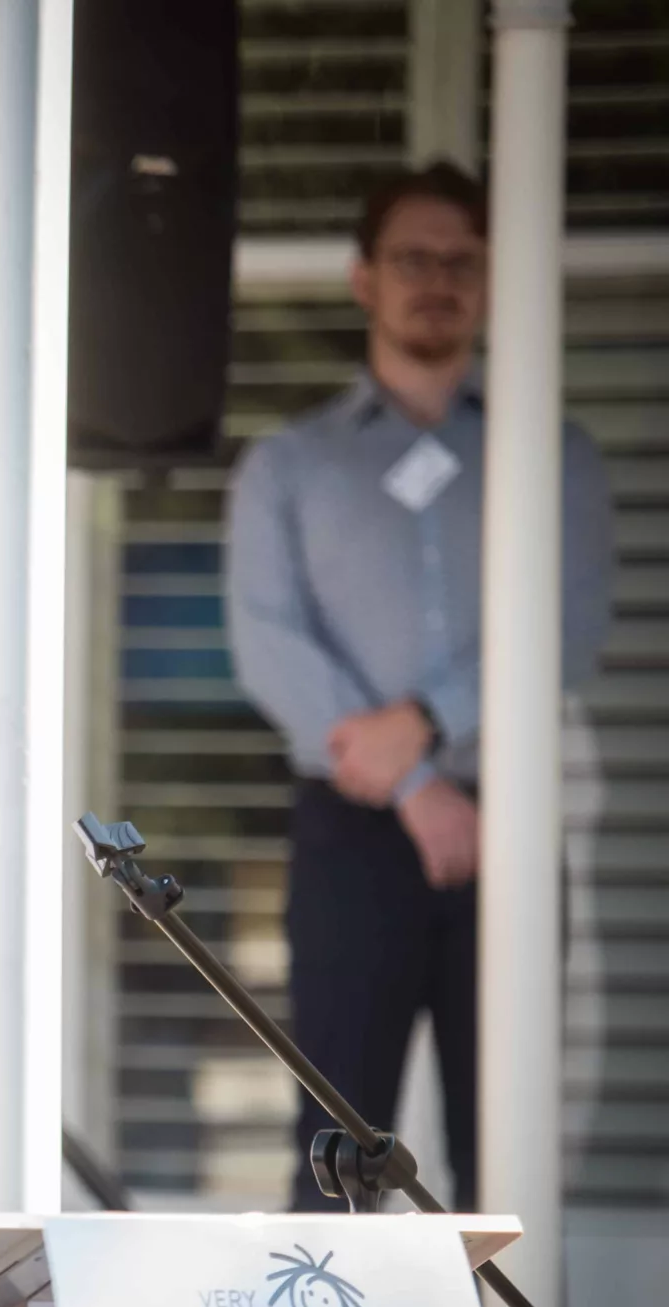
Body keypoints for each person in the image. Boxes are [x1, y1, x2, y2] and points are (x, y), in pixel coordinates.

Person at [228, 162, 616, 1213]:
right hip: (350, 839)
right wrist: (415, 786)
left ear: (489, 283)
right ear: (365, 279)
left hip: (509, 826)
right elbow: (268, 647)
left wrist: (430, 720)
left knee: (510, 1154)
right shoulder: (289, 466)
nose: (436, 281)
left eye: (461, 262)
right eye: (412, 259)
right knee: (336, 1151)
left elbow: (571, 626)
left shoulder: (556, 457)